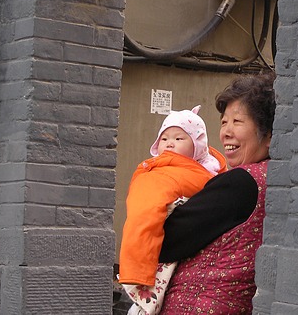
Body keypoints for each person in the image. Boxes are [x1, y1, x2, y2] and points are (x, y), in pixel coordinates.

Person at [158, 72, 276, 314]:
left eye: (238, 122)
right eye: (224, 122)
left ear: (268, 135)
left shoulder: (240, 183)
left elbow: (165, 240)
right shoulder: (274, 179)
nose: (226, 132)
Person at [117, 105, 227, 314]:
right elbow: (145, 214)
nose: (169, 144)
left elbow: (142, 216)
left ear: (198, 146)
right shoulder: (211, 172)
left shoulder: (160, 176)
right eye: (164, 138)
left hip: (162, 260)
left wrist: (136, 271)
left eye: (179, 139)